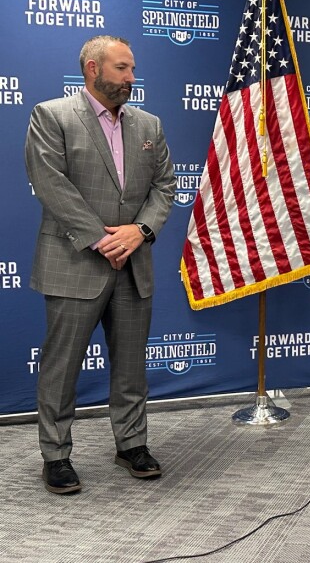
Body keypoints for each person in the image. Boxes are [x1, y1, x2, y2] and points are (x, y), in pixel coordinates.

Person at [24, 35, 175, 494]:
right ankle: (56, 455)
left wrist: (140, 231)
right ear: (93, 69)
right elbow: (51, 184)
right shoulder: (52, 116)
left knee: (131, 367)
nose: (132, 77)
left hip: (134, 262)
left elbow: (165, 187)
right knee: (61, 367)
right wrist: (100, 239)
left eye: (132, 69)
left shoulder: (149, 124)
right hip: (74, 262)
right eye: (122, 69)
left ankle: (131, 444)